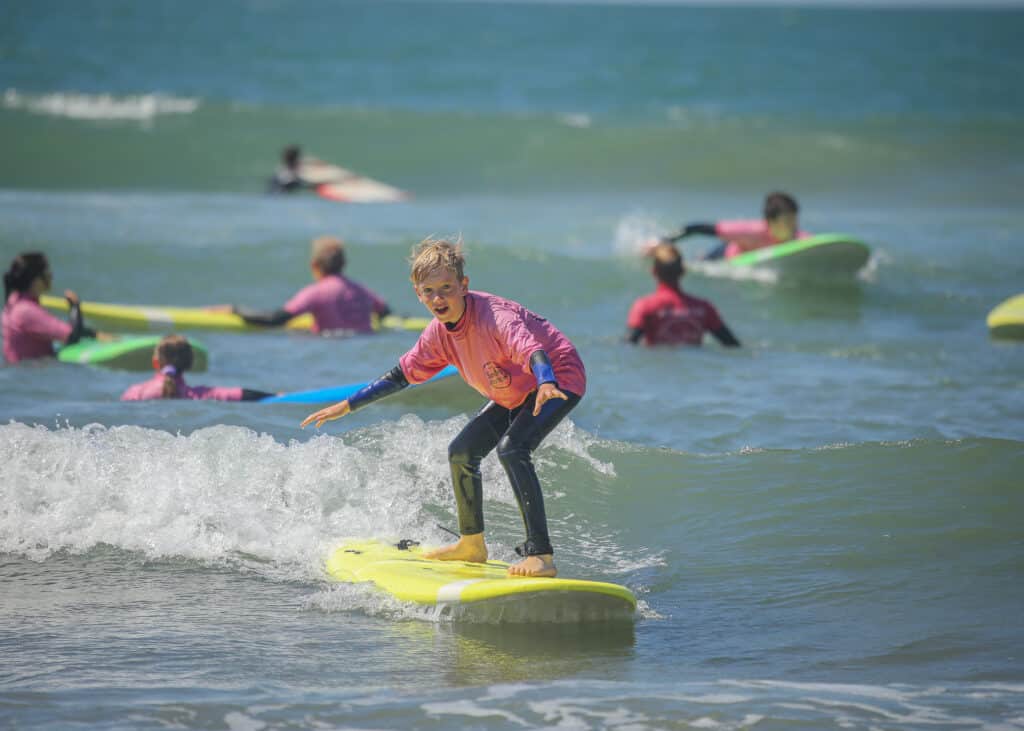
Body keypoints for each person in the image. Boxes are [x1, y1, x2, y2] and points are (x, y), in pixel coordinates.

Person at [300, 237, 586, 578]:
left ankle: (541, 556)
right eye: (429, 291)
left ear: (464, 285)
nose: (439, 298)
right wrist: (348, 405)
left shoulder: (496, 318)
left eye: (447, 288)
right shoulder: (437, 334)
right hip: (513, 390)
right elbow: (400, 375)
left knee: (513, 448)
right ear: (417, 293)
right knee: (462, 452)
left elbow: (532, 349)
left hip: (557, 378)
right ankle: (472, 544)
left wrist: (546, 381)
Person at [229, 236, 391, 335]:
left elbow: (274, 320)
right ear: (344, 264)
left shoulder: (316, 293)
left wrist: (237, 310)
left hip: (329, 342)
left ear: (314, 265)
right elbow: (385, 312)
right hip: (364, 339)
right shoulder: (362, 290)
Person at [627, 243, 740, 347]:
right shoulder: (704, 307)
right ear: (683, 271)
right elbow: (733, 345)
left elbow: (629, 344)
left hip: (658, 366)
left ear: (653, 271)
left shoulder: (645, 306)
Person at [3, 252, 99, 364]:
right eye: (47, 272)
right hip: (32, 372)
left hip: (20, 369)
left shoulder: (13, 301)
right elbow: (73, 337)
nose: (51, 275)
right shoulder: (27, 311)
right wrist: (75, 306)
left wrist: (93, 334)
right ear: (36, 281)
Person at [121, 334, 274, 401]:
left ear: (156, 363)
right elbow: (239, 394)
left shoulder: (134, 392)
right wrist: (274, 396)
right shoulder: (197, 395)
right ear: (190, 364)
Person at [668, 191, 809, 260]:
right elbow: (696, 229)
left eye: (794, 219)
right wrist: (665, 241)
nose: (794, 225)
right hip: (724, 255)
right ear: (770, 222)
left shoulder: (799, 238)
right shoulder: (751, 231)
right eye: (787, 221)